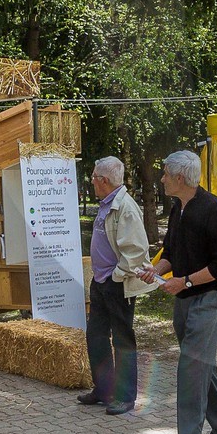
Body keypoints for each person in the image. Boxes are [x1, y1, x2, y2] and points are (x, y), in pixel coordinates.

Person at [137, 150, 217, 434]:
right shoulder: (178, 207)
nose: (162, 178)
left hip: (208, 299)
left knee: (190, 371)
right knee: (200, 366)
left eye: (166, 173)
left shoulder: (214, 210)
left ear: (180, 177)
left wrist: (186, 281)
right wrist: (154, 269)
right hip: (184, 299)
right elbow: (173, 251)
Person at [80, 156, 155, 416]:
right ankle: (103, 390)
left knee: (123, 340)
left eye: (93, 177)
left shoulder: (125, 206)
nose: (91, 181)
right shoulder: (107, 203)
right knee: (96, 335)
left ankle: (125, 397)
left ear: (104, 181)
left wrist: (117, 275)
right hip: (101, 281)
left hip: (117, 283)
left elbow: (136, 250)